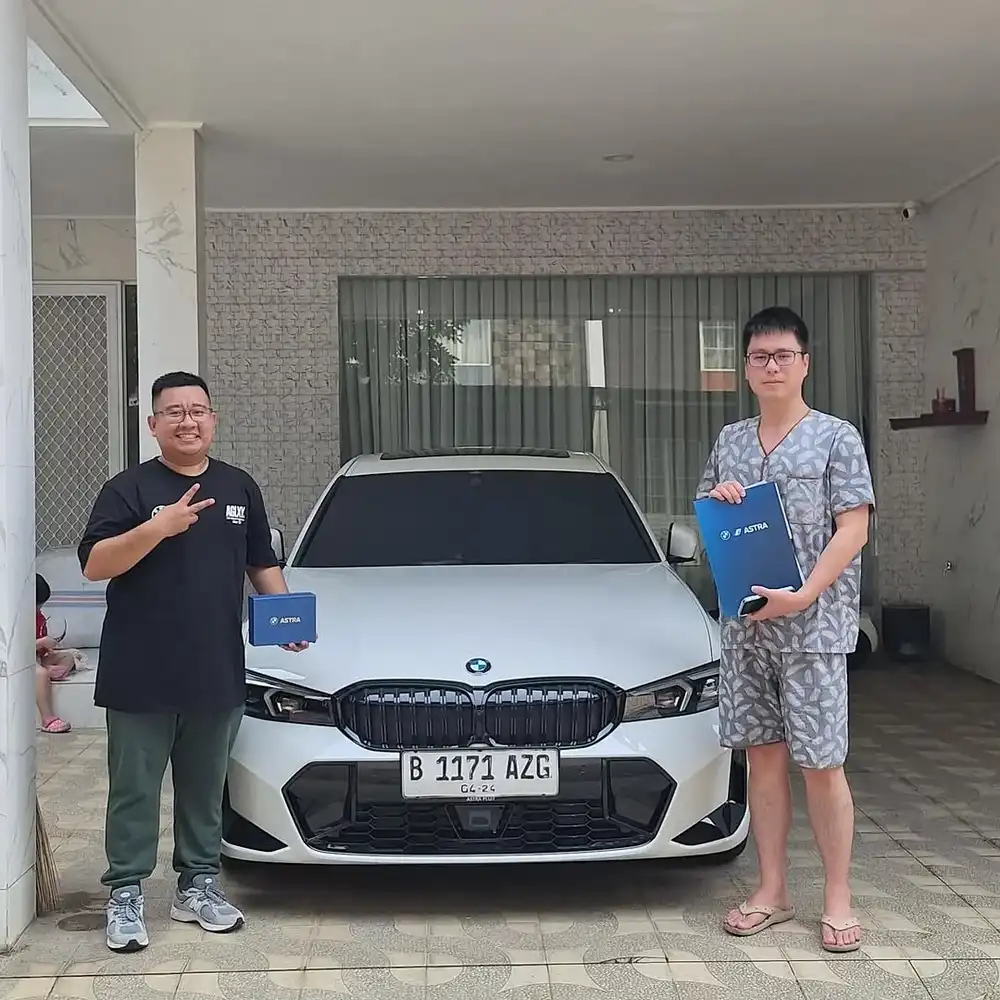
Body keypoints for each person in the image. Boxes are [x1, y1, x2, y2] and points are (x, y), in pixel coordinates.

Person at [78, 371, 308, 954]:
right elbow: (96, 564)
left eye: (198, 410)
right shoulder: (127, 489)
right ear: (153, 424)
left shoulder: (238, 486)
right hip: (139, 672)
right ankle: (126, 890)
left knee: (205, 788)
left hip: (215, 667)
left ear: (213, 419)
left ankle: (197, 884)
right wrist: (157, 528)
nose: (188, 421)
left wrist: (286, 619)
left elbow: (261, 562)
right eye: (174, 412)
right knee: (134, 790)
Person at [696, 306, 875, 954]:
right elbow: (708, 519)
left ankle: (837, 897)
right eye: (759, 356)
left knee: (822, 763)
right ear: (745, 368)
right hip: (747, 630)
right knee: (763, 759)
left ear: (805, 364)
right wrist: (720, 499)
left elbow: (854, 528)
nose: (771, 366)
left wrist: (804, 594)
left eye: (783, 355)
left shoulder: (835, 437)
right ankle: (771, 890)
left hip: (813, 628)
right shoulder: (730, 441)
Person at [35, 573, 75, 734]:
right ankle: (48, 718)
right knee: (40, 674)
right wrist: (40, 643)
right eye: (36, 605)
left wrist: (46, 649)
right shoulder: (10, 617)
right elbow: (11, 649)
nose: (39, 609)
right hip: (19, 662)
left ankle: (55, 672)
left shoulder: (38, 617)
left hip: (36, 657)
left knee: (68, 657)